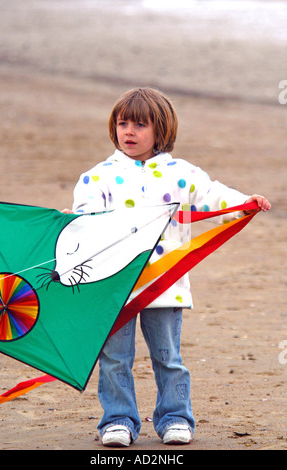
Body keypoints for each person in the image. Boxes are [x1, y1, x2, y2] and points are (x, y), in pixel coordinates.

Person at [65, 87, 271, 447]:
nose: (129, 131)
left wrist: (244, 203)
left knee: (168, 358)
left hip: (165, 283)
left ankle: (175, 417)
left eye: (140, 125)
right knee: (114, 359)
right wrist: (72, 224)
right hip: (114, 287)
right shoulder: (97, 176)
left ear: (161, 131)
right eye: (122, 123)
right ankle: (118, 420)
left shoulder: (180, 173)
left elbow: (214, 196)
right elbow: (85, 219)